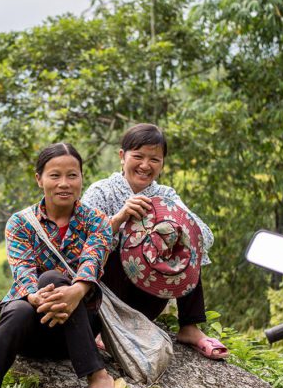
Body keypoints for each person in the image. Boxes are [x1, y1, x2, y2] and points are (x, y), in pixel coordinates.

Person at [0, 142, 126, 388]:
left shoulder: (97, 221)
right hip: (32, 328)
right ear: (39, 179)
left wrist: (75, 292)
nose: (64, 183)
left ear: (81, 179)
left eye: (72, 175)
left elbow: (93, 259)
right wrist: (36, 296)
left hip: (78, 332)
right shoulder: (21, 224)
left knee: (52, 276)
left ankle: (98, 379)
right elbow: (22, 272)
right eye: (55, 175)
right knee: (20, 307)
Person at [82, 123, 228, 359]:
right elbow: (81, 244)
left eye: (154, 159)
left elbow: (204, 236)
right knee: (118, 245)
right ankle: (107, 329)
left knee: (186, 241)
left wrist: (172, 225)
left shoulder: (166, 195)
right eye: (138, 156)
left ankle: (190, 326)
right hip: (104, 296)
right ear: (122, 156)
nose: (145, 165)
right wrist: (120, 219)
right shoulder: (101, 191)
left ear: (162, 163)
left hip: (149, 294)